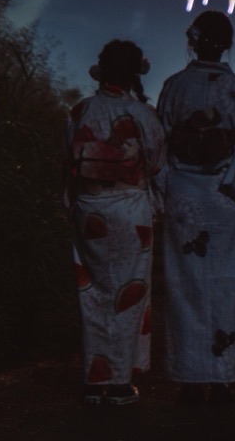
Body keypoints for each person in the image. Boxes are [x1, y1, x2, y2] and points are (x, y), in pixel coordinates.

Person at [157, 10, 235, 407]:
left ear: (193, 41)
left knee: (185, 286)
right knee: (227, 285)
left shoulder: (174, 86)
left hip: (183, 193)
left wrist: (165, 189)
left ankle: (190, 378)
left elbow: (161, 141)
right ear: (228, 43)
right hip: (225, 192)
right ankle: (223, 379)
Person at [65, 39, 165, 405]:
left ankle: (95, 381)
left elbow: (68, 165)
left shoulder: (80, 111)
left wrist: (72, 204)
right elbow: (156, 164)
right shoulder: (143, 115)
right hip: (130, 209)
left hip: (90, 206)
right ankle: (121, 381)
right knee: (130, 293)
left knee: (92, 294)